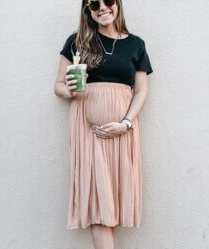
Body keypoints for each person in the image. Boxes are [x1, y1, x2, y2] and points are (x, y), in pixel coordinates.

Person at [54, 0, 153, 248]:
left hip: (122, 132)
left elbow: (140, 92)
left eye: (108, 1)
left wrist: (126, 123)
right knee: (99, 207)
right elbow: (57, 86)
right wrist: (69, 90)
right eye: (94, 4)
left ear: (117, 4)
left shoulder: (135, 44)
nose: (102, 8)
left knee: (115, 206)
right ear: (88, 10)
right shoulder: (77, 41)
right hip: (88, 132)